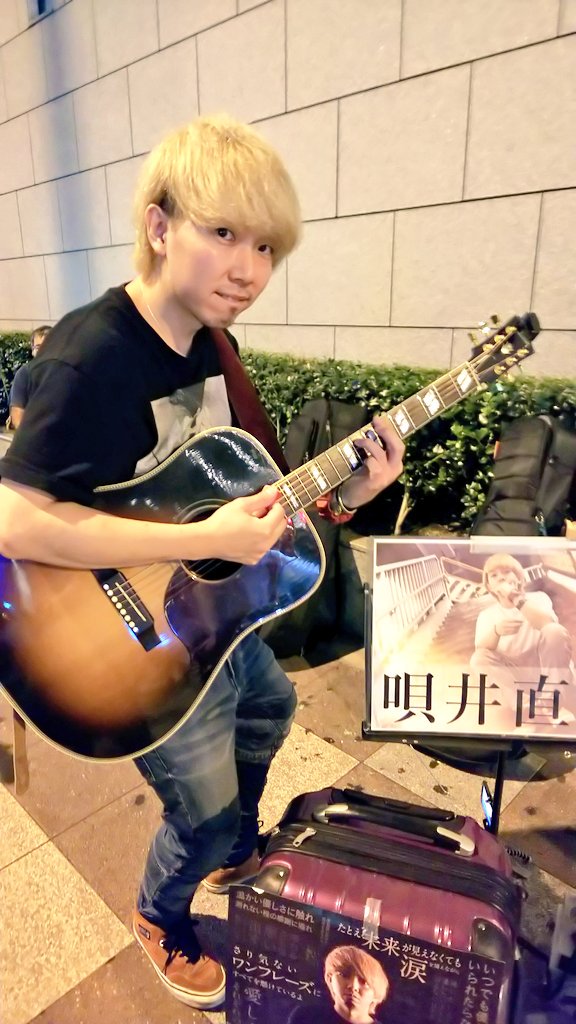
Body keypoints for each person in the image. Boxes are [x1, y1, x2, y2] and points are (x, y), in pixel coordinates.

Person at [0, 114, 405, 1010]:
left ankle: (229, 849)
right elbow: (14, 523)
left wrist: (350, 494)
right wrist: (201, 540)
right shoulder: (91, 354)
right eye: (223, 233)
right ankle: (161, 913)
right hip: (118, 645)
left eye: (265, 247)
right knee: (204, 806)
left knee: (272, 705)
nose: (248, 269)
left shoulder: (214, 344)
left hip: (205, 616)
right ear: (159, 226)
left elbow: (256, 500)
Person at [470, 553, 574, 695]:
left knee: (554, 631)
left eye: (507, 572)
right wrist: (496, 632)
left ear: (518, 577)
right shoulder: (486, 615)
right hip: (518, 677)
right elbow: (481, 652)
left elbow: (549, 625)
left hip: (547, 669)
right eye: (494, 575)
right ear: (489, 586)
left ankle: (553, 696)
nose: (501, 578)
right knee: (478, 659)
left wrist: (514, 597)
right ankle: (524, 704)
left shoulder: (539, 598)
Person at [288, 944, 390, 1023]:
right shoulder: (305, 1017)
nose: (353, 986)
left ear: (376, 993)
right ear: (330, 978)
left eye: (364, 981)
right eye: (344, 975)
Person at [8, 324, 51, 428]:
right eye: (38, 347)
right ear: (33, 351)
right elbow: (17, 415)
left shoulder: (68, 373)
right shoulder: (25, 374)